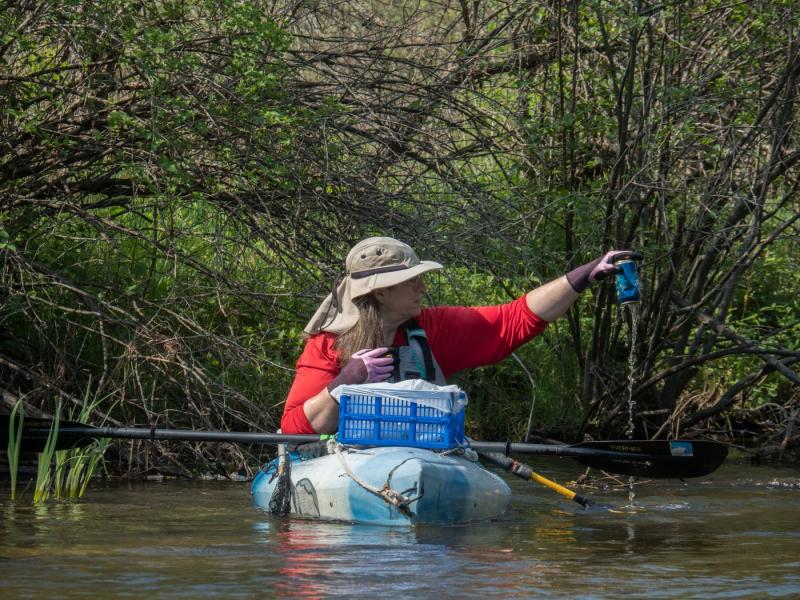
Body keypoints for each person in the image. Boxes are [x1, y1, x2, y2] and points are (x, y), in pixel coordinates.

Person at [281, 236, 638, 434]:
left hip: (420, 460)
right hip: (347, 463)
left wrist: (584, 276)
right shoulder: (328, 345)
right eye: (412, 281)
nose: (422, 287)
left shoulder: (433, 329)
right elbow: (295, 427)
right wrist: (345, 382)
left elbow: (513, 319)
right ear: (380, 292)